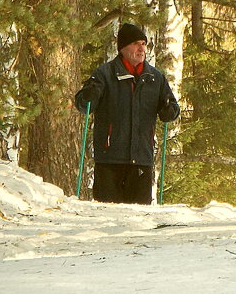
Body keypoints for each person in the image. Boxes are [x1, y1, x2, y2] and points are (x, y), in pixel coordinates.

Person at [75, 23, 179, 204]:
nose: (141, 48)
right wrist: (88, 96)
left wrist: (169, 111)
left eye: (144, 44)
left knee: (139, 220)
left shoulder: (155, 78)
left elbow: (171, 109)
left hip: (141, 160)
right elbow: (84, 106)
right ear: (123, 48)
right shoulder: (104, 74)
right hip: (109, 159)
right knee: (107, 216)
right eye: (136, 43)